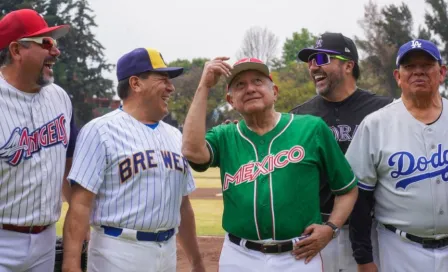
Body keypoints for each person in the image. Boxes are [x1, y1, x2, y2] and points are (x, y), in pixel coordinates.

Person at [181, 56, 359, 272]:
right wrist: (204, 86)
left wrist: (331, 228)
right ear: (231, 100)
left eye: (258, 81)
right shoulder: (224, 136)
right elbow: (192, 150)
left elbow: (347, 189)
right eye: (240, 85)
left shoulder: (311, 128)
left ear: (274, 91)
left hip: (299, 255)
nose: (250, 89)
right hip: (239, 256)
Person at [62, 48, 205, 272]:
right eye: (163, 79)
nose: (171, 87)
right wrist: (71, 265)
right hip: (118, 250)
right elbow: (80, 204)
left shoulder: (176, 136)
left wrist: (197, 262)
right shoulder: (100, 130)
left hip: (166, 251)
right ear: (136, 83)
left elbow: (183, 207)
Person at [290, 32, 393, 271]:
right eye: (310, 60)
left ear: (348, 65)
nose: (313, 65)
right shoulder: (300, 116)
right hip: (317, 231)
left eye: (321, 58)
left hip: (374, 230)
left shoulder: (384, 109)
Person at [346, 39, 448, 272]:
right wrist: (363, 258)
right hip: (399, 249)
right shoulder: (376, 124)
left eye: (426, 65)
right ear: (398, 76)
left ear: (442, 72)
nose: (418, 71)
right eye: (409, 66)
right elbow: (358, 198)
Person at [0, 8, 77, 272]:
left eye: (54, 43)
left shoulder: (60, 98)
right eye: (45, 43)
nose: (55, 51)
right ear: (16, 50)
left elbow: (68, 165)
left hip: (45, 239)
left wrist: (78, 222)